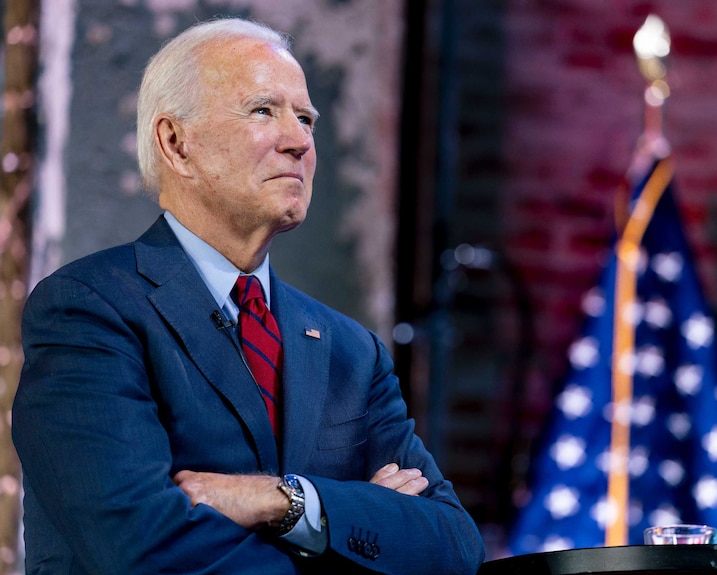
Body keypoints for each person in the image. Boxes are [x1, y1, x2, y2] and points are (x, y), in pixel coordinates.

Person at [12, 17, 485, 575]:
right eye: (264, 110)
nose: (301, 140)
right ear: (177, 143)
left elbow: (454, 546)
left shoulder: (351, 353)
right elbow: (137, 549)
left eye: (306, 118)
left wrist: (284, 501)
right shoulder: (89, 309)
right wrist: (352, 529)